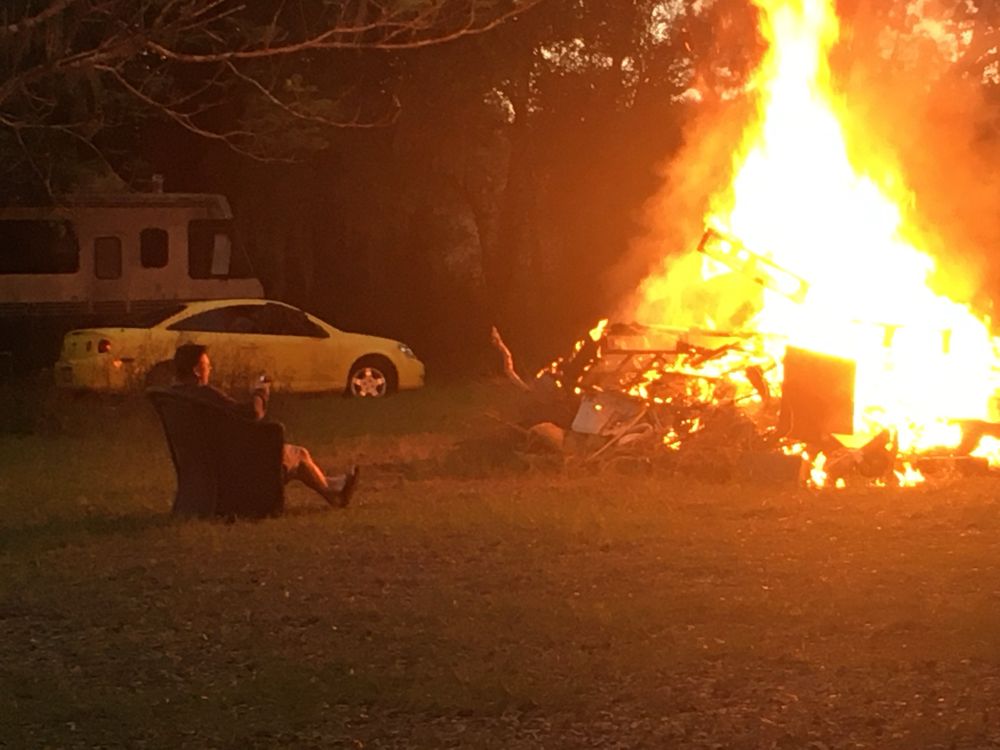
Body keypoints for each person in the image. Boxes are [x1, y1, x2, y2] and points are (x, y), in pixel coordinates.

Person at [170, 343, 358, 508]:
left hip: (205, 468)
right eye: (207, 365)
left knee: (293, 454)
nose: (210, 369)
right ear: (196, 370)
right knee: (299, 454)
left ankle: (332, 486)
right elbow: (252, 414)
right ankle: (333, 493)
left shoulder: (173, 397)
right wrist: (260, 393)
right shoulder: (204, 395)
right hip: (234, 471)